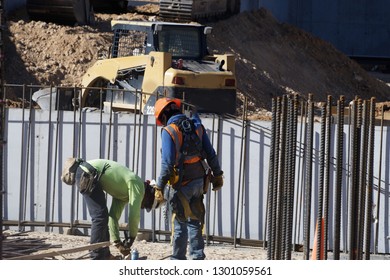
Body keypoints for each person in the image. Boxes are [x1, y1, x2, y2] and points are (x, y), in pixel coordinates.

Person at [153, 97, 224, 260]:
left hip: (181, 185)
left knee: (179, 222)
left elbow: (167, 163)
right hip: (199, 181)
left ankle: (178, 259)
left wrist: (160, 186)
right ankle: (197, 258)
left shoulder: (169, 131)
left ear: (163, 116)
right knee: (195, 219)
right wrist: (218, 174)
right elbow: (210, 153)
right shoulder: (197, 126)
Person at [61, 158, 164, 260]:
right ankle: (97, 255)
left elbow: (113, 217)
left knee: (102, 215)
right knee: (99, 216)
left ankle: (104, 254)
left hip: (88, 173)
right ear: (149, 196)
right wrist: (131, 238)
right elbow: (134, 215)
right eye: (146, 205)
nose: (142, 207)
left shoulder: (124, 194)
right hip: (87, 173)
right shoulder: (137, 185)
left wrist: (118, 243)